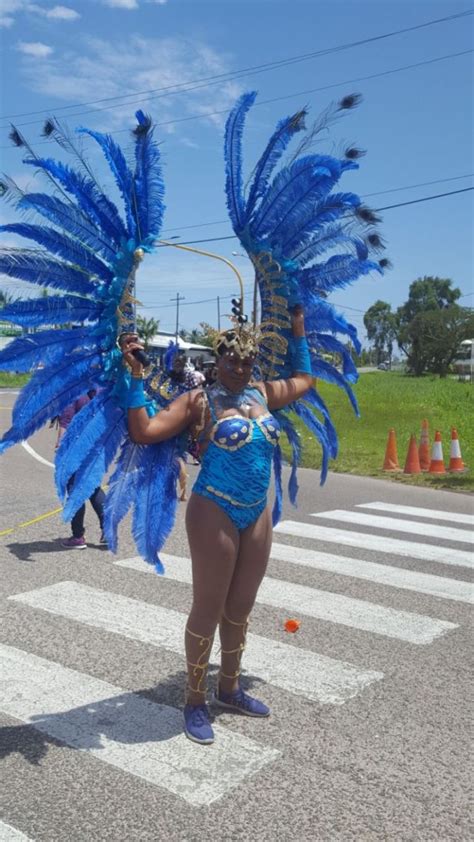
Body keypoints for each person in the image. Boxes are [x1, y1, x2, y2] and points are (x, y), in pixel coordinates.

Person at [121, 306, 312, 745]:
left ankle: (229, 688)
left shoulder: (263, 393)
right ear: (217, 359)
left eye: (247, 361)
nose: (240, 367)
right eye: (232, 359)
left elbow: (305, 380)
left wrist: (299, 331)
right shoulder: (198, 400)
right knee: (209, 607)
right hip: (214, 511)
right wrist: (134, 376)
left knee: (241, 606)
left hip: (255, 513)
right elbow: (145, 431)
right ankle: (194, 700)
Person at [57, 391, 107, 550]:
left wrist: (60, 445)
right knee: (93, 488)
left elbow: (66, 422)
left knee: (75, 489)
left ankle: (78, 536)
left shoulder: (74, 392)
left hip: (77, 448)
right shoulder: (99, 388)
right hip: (96, 445)